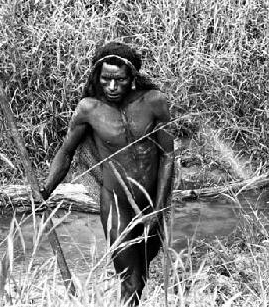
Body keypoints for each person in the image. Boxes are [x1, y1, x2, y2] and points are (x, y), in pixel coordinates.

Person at [40, 41, 174, 304]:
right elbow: (66, 153)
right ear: (97, 77)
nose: (112, 87)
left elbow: (167, 155)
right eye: (106, 79)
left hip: (151, 201)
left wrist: (158, 210)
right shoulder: (89, 110)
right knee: (130, 280)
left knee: (142, 274)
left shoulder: (154, 102)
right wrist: (45, 189)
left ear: (132, 78)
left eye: (120, 80)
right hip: (115, 203)